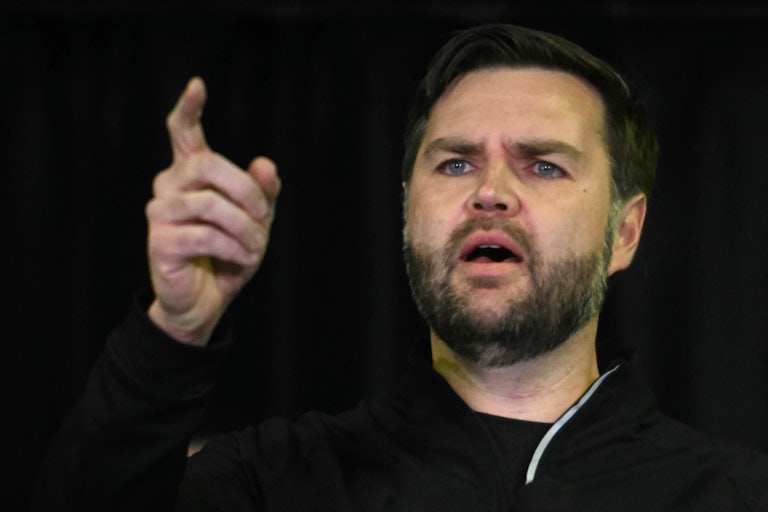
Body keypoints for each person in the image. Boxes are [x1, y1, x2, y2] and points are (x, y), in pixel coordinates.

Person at [34, 23, 768, 511]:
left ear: (626, 233)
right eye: (454, 162)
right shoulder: (273, 478)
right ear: (408, 210)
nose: (489, 193)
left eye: (543, 166)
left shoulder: (733, 491)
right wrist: (174, 332)